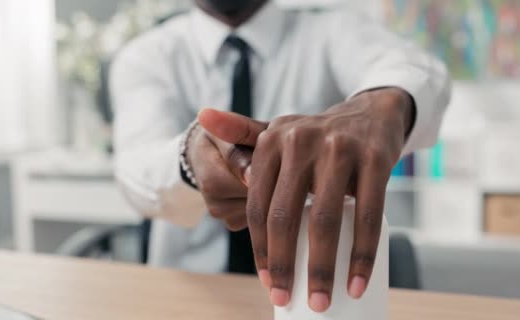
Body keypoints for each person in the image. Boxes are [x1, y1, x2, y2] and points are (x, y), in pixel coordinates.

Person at [111, 0, 451, 313]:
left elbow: (419, 70)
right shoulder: (147, 54)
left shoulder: (332, 30)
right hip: (189, 298)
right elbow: (137, 166)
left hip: (320, 302)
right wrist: (189, 160)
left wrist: (384, 103)